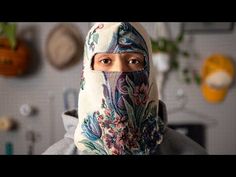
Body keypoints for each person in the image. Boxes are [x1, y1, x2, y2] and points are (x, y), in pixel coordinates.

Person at [43, 22, 207, 155]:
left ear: (149, 70)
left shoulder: (189, 151)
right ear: (87, 72)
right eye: (106, 61)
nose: (120, 73)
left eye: (134, 61)